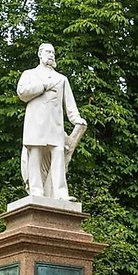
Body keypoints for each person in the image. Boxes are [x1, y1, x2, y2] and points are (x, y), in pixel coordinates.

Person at [17, 43, 86, 201]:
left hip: (55, 125)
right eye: (48, 52)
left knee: (58, 155)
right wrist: (43, 86)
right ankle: (36, 192)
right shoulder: (29, 74)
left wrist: (76, 119)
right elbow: (22, 93)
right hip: (35, 123)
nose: (51, 55)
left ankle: (60, 194)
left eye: (53, 52)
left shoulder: (61, 79)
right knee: (34, 155)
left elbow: (69, 103)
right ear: (40, 54)